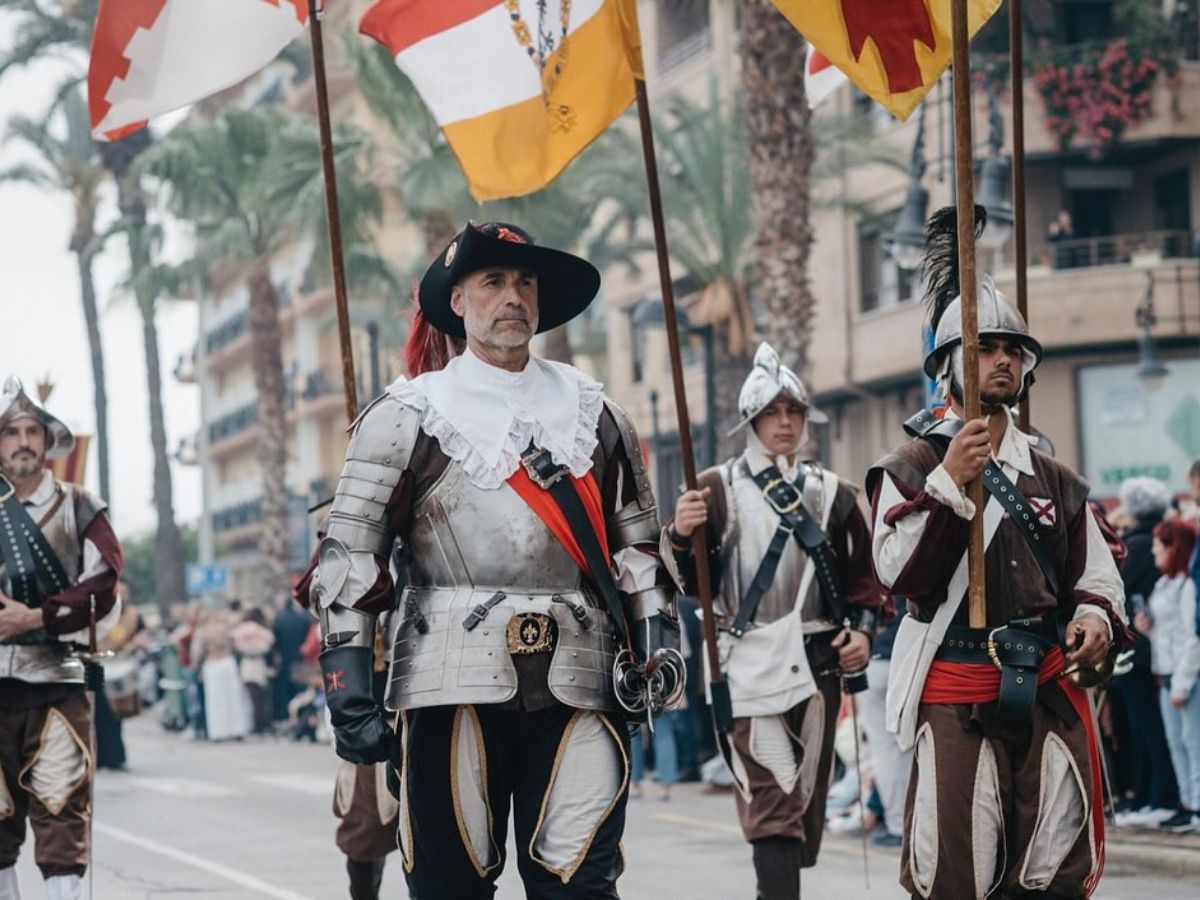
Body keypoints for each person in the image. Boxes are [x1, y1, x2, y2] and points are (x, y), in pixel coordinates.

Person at [309, 222, 682, 898]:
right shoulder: (406, 415)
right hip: (448, 677)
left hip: (580, 675)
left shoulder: (598, 414)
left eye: (525, 282)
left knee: (581, 886)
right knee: (451, 888)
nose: (513, 296)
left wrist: (659, 647)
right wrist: (348, 688)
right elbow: (351, 560)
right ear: (458, 301)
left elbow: (639, 552)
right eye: (494, 281)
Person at [868, 208, 1129, 900]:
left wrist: (1096, 618)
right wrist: (948, 482)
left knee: (1049, 871)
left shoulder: (1053, 477)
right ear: (953, 364)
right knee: (959, 871)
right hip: (955, 694)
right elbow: (897, 574)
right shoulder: (907, 466)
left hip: (1044, 689)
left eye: (1014, 350)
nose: (1005, 360)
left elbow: (1095, 575)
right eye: (988, 348)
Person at [666, 343, 881, 900]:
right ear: (751, 421)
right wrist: (680, 535)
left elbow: (865, 578)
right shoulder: (715, 487)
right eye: (772, 413)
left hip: (817, 661)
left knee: (805, 797)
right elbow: (688, 582)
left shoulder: (834, 493)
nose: (785, 423)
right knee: (774, 796)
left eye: (794, 413)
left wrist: (860, 631)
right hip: (746, 661)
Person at [0, 377, 124, 900]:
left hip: (58, 685)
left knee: (61, 813)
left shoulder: (79, 506)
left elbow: (103, 582)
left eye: (33, 430)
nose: (23, 440)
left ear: (48, 441)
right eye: (11, 432)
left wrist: (37, 618)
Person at [1109, 477, 1179, 826]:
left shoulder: (1134, 547)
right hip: (1153, 645)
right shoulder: (1155, 539)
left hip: (1138, 649)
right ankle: (1153, 794)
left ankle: (1158, 795)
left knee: (1146, 727)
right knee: (1153, 727)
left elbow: (1116, 591)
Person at [1135, 519, 1200, 833]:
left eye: (1159, 545)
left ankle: (1196, 804)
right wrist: (1147, 629)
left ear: (1174, 547)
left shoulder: (1187, 586)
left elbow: (1193, 637)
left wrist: (1184, 682)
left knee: (1192, 741)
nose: (1153, 551)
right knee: (1177, 741)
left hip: (1183, 676)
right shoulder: (1163, 584)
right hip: (1166, 672)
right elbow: (1168, 634)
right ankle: (1187, 803)